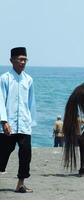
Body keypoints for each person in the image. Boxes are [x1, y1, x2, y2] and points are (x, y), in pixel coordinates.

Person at [0, 47, 36, 193]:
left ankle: (20, 183)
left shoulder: (29, 80)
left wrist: (31, 122)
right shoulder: (5, 78)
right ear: (12, 60)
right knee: (3, 153)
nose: (23, 62)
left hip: (24, 125)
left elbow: (31, 102)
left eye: (25, 59)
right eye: (20, 59)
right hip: (8, 125)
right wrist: (3, 121)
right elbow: (0, 100)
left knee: (26, 153)